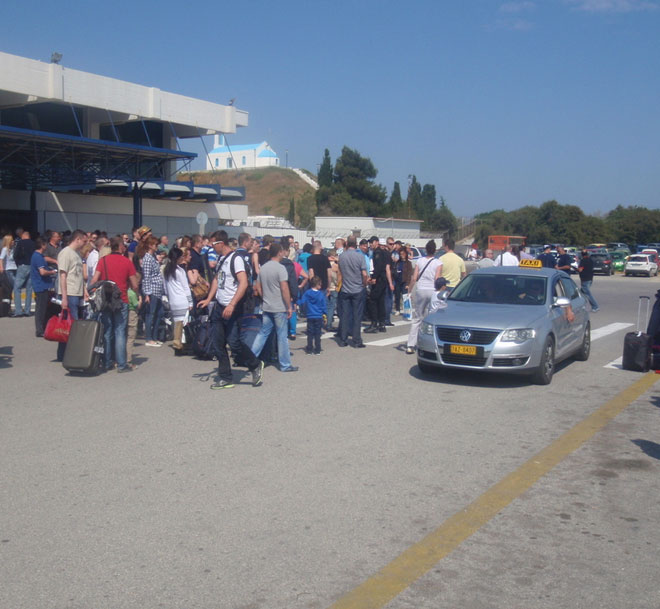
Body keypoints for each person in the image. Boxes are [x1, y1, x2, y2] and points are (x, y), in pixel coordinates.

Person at [198, 230, 265, 388]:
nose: (212, 247)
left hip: (232, 307)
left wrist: (232, 304)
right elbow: (217, 280)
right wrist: (209, 298)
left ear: (221, 243)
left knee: (234, 343)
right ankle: (226, 377)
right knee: (218, 343)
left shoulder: (236, 259)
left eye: (213, 244)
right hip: (219, 307)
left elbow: (243, 283)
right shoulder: (221, 259)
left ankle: (255, 364)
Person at [91, 236, 138, 372]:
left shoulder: (103, 260)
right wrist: (135, 293)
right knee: (120, 332)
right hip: (121, 299)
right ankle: (121, 364)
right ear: (121, 247)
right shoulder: (127, 262)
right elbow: (135, 284)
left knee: (107, 331)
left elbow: (94, 280)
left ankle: (107, 362)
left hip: (106, 300)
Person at [251, 242, 297, 372]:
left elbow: (258, 286)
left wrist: (264, 297)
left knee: (263, 333)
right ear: (279, 252)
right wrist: (288, 306)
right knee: (282, 336)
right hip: (279, 306)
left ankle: (250, 359)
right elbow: (284, 288)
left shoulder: (264, 267)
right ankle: (285, 364)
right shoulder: (280, 268)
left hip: (267, 305)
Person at [406, 240, 443, 354]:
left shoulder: (420, 261)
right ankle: (429, 345)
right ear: (435, 251)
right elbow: (437, 279)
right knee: (431, 318)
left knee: (417, 318)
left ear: (426, 250)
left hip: (421, 289)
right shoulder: (438, 263)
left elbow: (414, 278)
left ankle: (410, 345)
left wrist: (409, 289)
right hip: (432, 290)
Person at [56, 230, 88, 361]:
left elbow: (79, 275)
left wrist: (84, 290)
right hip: (69, 294)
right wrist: (64, 298)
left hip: (77, 293)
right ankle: (66, 354)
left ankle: (65, 353)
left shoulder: (77, 254)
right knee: (70, 325)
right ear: (78, 239)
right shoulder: (65, 253)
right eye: (84, 241)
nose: (85, 244)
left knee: (71, 325)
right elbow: (63, 276)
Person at [337, 236, 368, 348]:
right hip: (357, 288)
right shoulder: (360, 256)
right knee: (357, 316)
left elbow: (340, 273)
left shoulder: (342, 256)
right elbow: (364, 274)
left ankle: (343, 339)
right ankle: (356, 340)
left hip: (345, 288)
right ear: (356, 244)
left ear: (346, 244)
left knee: (345, 315)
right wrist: (364, 283)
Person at [163, 247, 193, 356]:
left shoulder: (166, 270)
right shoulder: (180, 271)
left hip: (173, 300)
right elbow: (185, 287)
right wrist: (190, 301)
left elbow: (165, 288)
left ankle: (178, 344)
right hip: (182, 300)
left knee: (177, 324)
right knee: (183, 324)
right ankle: (180, 345)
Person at [140, 236, 165, 347]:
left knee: (159, 313)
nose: (157, 246)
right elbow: (146, 277)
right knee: (150, 314)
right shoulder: (147, 258)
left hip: (158, 290)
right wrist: (147, 293)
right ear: (150, 245)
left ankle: (154, 337)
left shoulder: (153, 257)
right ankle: (149, 338)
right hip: (152, 290)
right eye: (155, 245)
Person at [30, 237, 57, 337]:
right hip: (41, 286)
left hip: (42, 285)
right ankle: (40, 330)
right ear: (42, 245)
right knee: (41, 309)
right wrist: (52, 272)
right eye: (45, 244)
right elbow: (42, 272)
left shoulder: (38, 256)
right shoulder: (38, 257)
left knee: (42, 308)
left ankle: (42, 328)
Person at [364, 236, 392, 333]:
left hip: (379, 280)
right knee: (380, 301)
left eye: (372, 242)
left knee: (372, 300)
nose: (370, 244)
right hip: (382, 280)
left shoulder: (378, 252)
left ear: (376, 242)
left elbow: (379, 267)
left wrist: (374, 278)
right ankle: (382, 324)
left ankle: (374, 323)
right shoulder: (384, 252)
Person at [299, 276, 327, 354]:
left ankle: (309, 348)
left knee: (310, 333)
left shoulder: (307, 293)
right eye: (320, 284)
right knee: (318, 333)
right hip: (318, 316)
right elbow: (323, 305)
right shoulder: (321, 294)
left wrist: (296, 302)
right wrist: (325, 314)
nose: (321, 286)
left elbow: (302, 301)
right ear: (317, 284)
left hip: (310, 315)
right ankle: (317, 349)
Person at [12, 230, 36, 317]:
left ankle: (18, 311)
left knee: (17, 288)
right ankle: (27, 310)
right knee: (29, 289)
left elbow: (15, 255)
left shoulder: (20, 243)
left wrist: (18, 263)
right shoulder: (33, 243)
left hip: (22, 265)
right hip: (31, 266)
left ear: (23, 236)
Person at [393, 246, 413, 315]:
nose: (402, 256)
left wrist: (408, 284)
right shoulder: (398, 262)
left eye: (403, 254)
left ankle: (407, 311)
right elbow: (394, 271)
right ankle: (397, 309)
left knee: (405, 297)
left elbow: (409, 274)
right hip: (397, 281)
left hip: (404, 282)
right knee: (397, 296)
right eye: (400, 254)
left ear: (406, 254)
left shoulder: (408, 263)